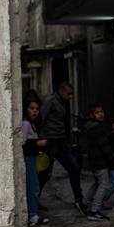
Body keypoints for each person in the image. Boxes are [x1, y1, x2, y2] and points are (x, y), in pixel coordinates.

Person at [39, 82, 87, 214]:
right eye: (68, 93)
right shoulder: (50, 101)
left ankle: (79, 199)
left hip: (60, 140)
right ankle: (33, 201)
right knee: (45, 173)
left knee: (73, 168)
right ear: (60, 91)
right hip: (50, 141)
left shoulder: (62, 103)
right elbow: (41, 119)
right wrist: (42, 138)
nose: (70, 96)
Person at [84, 104, 114, 221]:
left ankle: (85, 202)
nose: (100, 114)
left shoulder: (91, 127)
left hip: (94, 161)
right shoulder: (97, 129)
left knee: (98, 183)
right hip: (100, 162)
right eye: (97, 112)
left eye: (101, 111)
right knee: (104, 184)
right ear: (92, 115)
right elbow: (105, 148)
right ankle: (94, 210)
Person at [22, 100, 49, 226]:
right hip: (28, 158)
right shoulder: (26, 124)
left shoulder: (32, 124)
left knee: (34, 185)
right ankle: (32, 215)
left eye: (37, 109)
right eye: (31, 108)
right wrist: (37, 143)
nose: (34, 111)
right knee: (33, 186)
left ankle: (31, 213)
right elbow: (22, 143)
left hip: (32, 158)